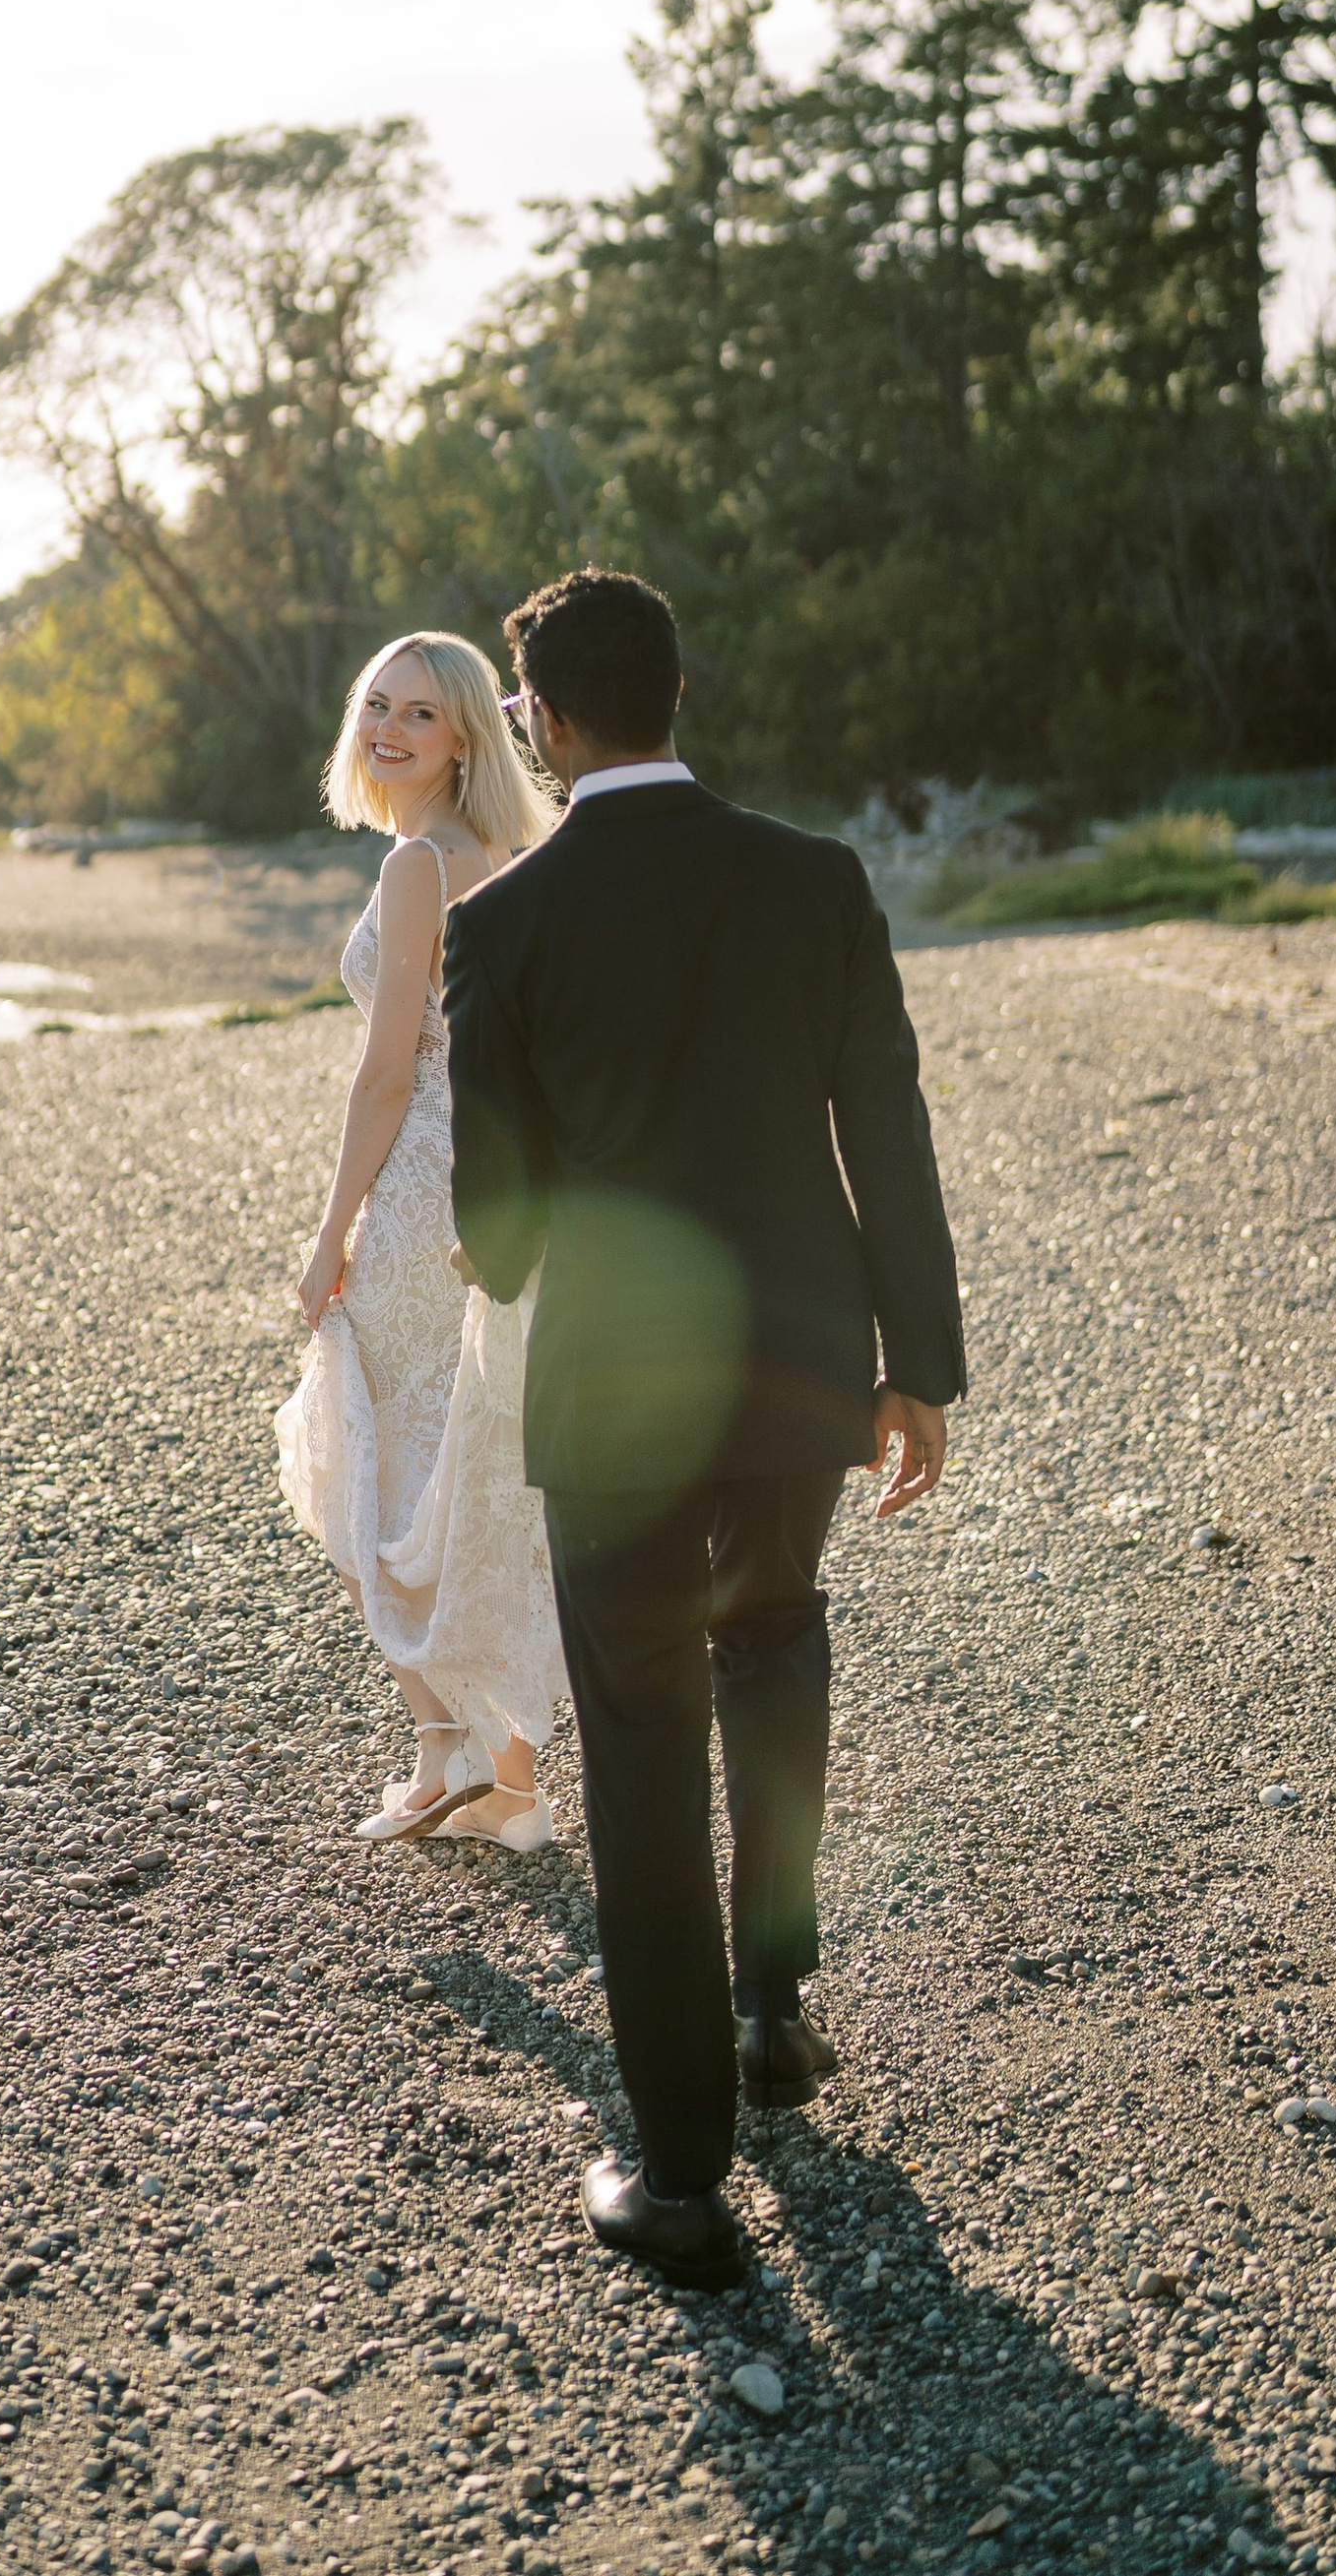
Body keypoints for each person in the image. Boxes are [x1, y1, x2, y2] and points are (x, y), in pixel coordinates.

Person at [444, 566, 965, 2290]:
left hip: (612, 1398)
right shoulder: (813, 878)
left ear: (550, 722)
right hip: (804, 1370)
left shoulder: (503, 923)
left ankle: (678, 2179)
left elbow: (505, 1238)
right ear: (679, 696)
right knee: (779, 1647)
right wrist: (922, 1369)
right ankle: (775, 2015)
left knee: (646, 1743)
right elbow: (887, 1130)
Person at [276, 632, 570, 1850]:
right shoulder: (514, 853)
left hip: (414, 1197)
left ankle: (439, 1744)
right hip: (499, 1186)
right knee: (471, 1468)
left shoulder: (416, 868)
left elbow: (384, 1075)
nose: (389, 729)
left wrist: (328, 1230)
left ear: (464, 736)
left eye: (421, 714)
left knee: (374, 1465)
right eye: (376, 706)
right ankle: (513, 1783)